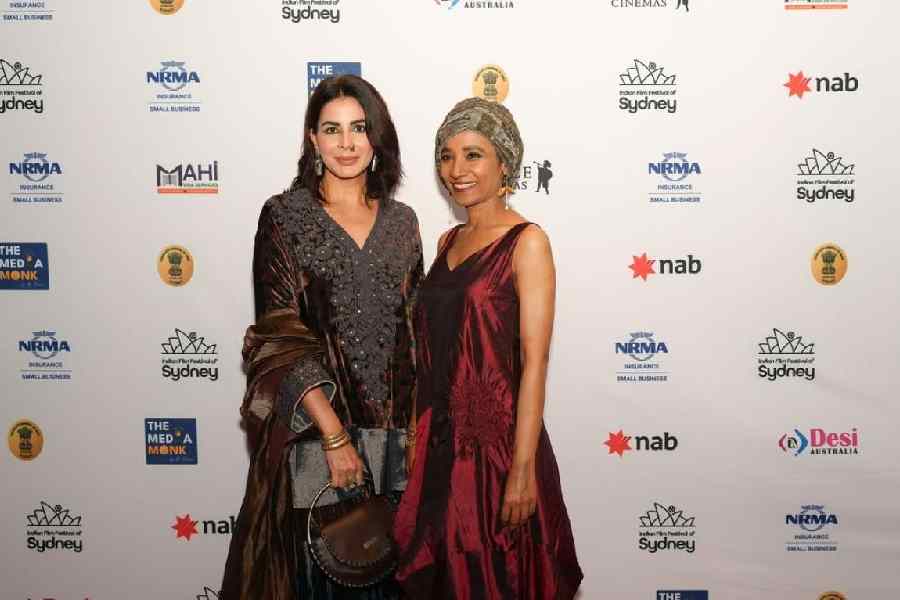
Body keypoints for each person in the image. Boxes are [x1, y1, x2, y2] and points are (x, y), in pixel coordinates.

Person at [221, 75, 423, 600]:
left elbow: (416, 335)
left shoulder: (403, 223)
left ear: (377, 137)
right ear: (312, 140)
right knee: (328, 579)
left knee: (390, 579)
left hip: (396, 442)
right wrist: (334, 437)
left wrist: (421, 430)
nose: (348, 143)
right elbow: (278, 335)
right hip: (318, 438)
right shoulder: (284, 217)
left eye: (359, 128)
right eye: (332, 130)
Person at [393, 97, 582, 599]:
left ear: (505, 162)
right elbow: (430, 353)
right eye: (447, 155)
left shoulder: (528, 242)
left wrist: (521, 470)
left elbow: (534, 364)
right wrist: (417, 433)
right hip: (439, 450)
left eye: (473, 154)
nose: (457, 170)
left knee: (499, 582)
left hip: (497, 454)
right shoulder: (445, 242)